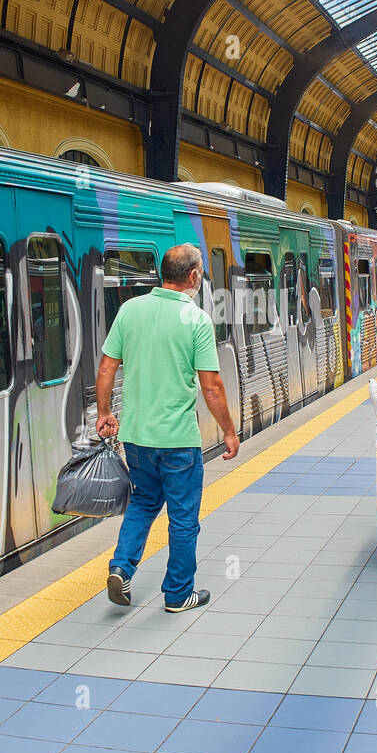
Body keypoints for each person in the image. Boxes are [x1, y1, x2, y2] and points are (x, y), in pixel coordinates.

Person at [96, 244, 239, 613]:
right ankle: (178, 594)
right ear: (192, 276)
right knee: (183, 517)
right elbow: (211, 385)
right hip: (177, 441)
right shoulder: (196, 320)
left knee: (143, 503)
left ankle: (121, 567)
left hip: (137, 438)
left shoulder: (130, 311)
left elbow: (107, 368)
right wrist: (228, 430)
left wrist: (104, 413)